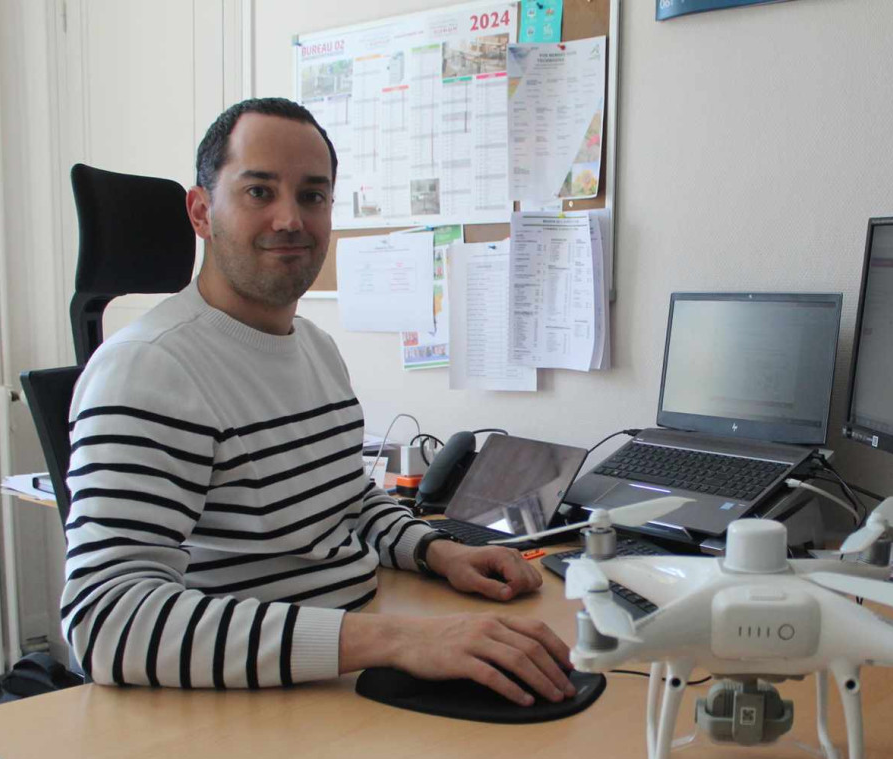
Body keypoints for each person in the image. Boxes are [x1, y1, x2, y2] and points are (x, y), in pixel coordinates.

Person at [60, 98, 574, 706]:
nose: (289, 220)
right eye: (258, 192)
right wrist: (395, 640)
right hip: (243, 707)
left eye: (312, 195)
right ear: (201, 211)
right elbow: (106, 621)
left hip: (338, 673)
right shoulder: (150, 367)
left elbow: (346, 500)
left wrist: (438, 551)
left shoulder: (315, 349)